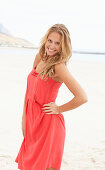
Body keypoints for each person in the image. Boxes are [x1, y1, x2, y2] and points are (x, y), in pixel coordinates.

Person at [15, 24, 88, 170]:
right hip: (33, 122)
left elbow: (82, 97)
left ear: (63, 46)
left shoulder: (59, 66)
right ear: (45, 40)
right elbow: (28, 93)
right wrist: (24, 119)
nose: (52, 46)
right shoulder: (39, 58)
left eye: (57, 43)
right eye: (50, 40)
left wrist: (59, 108)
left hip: (48, 126)